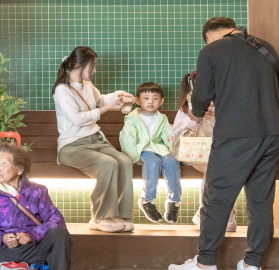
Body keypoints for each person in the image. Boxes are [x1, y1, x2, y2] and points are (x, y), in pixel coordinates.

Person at [169, 18, 279, 270]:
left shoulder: (212, 50)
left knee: (217, 197)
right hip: (273, 132)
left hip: (236, 134)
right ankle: (253, 264)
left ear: (210, 36)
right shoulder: (265, 48)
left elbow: (201, 96)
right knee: (260, 201)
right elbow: (277, 88)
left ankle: (205, 263)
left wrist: (196, 114)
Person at [52, 46, 136, 233]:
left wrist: (120, 95)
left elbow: (101, 100)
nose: (94, 70)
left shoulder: (87, 85)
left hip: (96, 140)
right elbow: (78, 119)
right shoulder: (62, 90)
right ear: (79, 65)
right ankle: (100, 217)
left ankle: (122, 217)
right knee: (108, 164)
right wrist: (108, 108)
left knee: (124, 161)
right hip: (72, 146)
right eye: (92, 66)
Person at [172, 73, 236, 232]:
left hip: (222, 153)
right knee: (214, 168)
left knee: (226, 168)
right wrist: (194, 118)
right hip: (194, 153)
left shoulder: (226, 105)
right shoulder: (186, 108)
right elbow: (176, 138)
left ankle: (222, 213)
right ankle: (208, 212)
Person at [120, 82, 181, 224]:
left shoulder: (162, 118)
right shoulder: (132, 118)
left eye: (155, 98)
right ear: (137, 100)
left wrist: (174, 153)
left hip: (159, 148)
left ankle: (174, 201)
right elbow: (127, 139)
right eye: (146, 98)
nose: (150, 102)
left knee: (172, 162)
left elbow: (169, 136)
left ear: (161, 101)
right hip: (141, 150)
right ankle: (146, 200)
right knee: (153, 163)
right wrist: (134, 158)